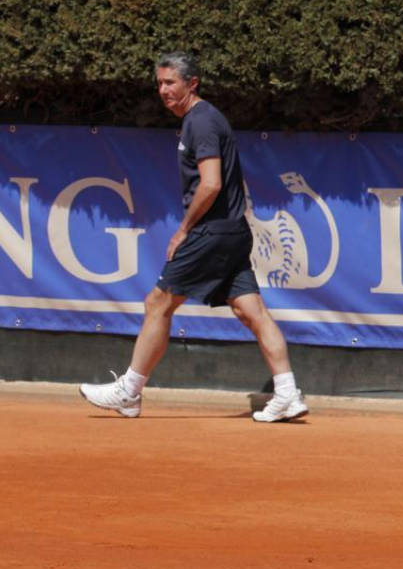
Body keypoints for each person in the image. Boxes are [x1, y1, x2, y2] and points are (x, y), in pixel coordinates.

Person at [79, 52, 307, 423]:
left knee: (158, 303)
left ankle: (129, 391)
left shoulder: (200, 122)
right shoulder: (201, 120)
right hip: (234, 232)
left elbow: (211, 183)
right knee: (251, 311)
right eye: (160, 84)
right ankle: (287, 393)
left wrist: (184, 229)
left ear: (192, 83)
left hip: (212, 232)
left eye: (170, 83)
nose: (163, 90)